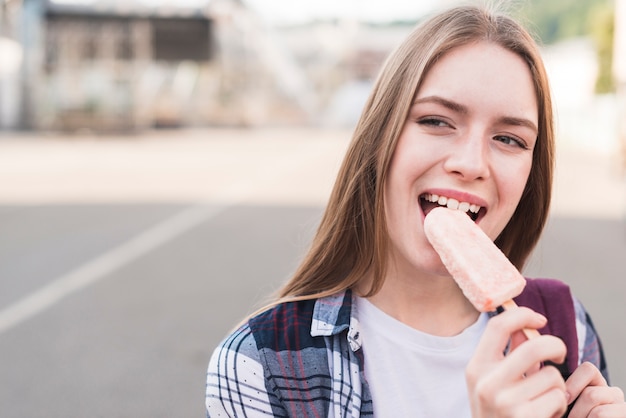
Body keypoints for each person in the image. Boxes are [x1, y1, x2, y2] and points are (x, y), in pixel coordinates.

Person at [206, 4, 626, 417]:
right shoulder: (259, 366)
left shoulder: (563, 326)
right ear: (378, 139)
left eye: (509, 139)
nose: (472, 163)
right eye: (437, 121)